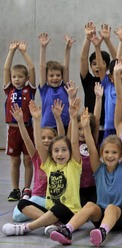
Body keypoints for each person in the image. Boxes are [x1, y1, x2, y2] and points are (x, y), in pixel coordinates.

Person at [49, 109, 122, 246]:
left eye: (114, 152)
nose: (110, 155)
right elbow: (91, 146)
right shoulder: (99, 169)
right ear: (101, 153)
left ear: (120, 156)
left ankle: (102, 232)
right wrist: (86, 127)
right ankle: (67, 230)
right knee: (90, 205)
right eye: (106, 152)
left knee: (111, 207)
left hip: (121, 216)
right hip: (101, 215)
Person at [2, 99, 82, 237]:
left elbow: (73, 142)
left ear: (70, 152)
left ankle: (25, 228)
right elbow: (37, 145)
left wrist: (73, 119)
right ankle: (53, 225)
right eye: (56, 151)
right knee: (22, 204)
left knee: (58, 208)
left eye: (64, 150)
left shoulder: (73, 165)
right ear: (51, 153)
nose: (60, 154)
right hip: (51, 210)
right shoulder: (49, 165)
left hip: (68, 212)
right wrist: (36, 119)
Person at [4, 40, 37, 201]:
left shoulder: (29, 89)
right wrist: (11, 51)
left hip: (27, 128)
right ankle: (15, 189)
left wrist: (23, 52)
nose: (16, 79)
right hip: (13, 130)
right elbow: (5, 68)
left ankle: (27, 188)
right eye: (14, 77)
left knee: (28, 159)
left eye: (20, 77)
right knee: (15, 160)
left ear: (26, 78)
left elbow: (31, 68)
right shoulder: (9, 89)